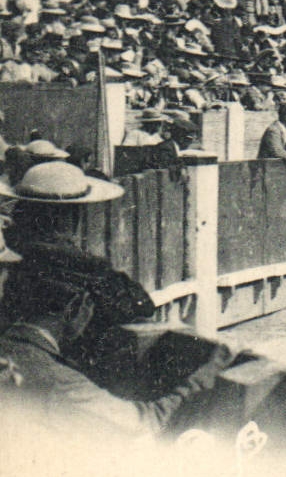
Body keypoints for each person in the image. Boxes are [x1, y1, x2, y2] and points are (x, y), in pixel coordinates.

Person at [0, 160, 234, 438]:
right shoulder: (78, 263)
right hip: (61, 364)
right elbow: (140, 304)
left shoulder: (7, 248)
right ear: (73, 216)